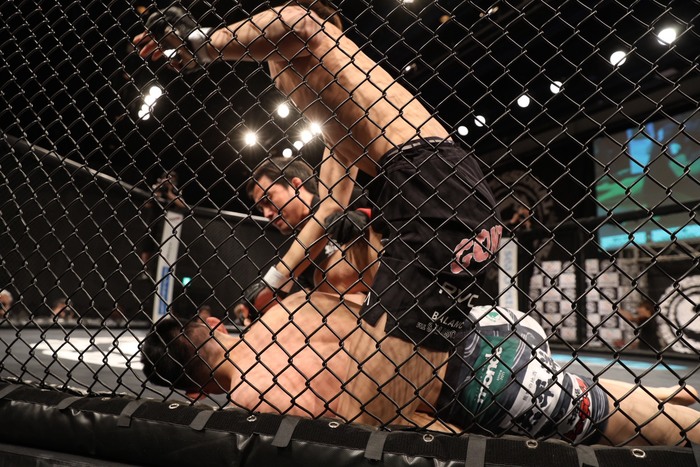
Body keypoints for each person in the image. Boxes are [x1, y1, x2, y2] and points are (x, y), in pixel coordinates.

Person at [134, 0, 501, 426]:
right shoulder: (342, 129)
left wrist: (202, 43)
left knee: (363, 422)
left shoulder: (319, 44)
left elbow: (301, 22)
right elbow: (327, 209)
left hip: (428, 185)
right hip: (438, 191)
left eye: (275, 63)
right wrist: (273, 281)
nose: (277, 79)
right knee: (392, 405)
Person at [141, 296, 700, 446]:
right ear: (211, 323)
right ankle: (677, 395)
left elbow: (359, 424)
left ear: (194, 393)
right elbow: (382, 304)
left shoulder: (251, 404)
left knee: (624, 427)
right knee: (595, 392)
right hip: (483, 325)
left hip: (481, 387)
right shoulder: (291, 306)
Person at [236, 156, 378, 323]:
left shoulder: (347, 198)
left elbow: (398, 216)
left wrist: (367, 216)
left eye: (268, 200)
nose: (267, 213)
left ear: (296, 185)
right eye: (261, 208)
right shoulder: (300, 261)